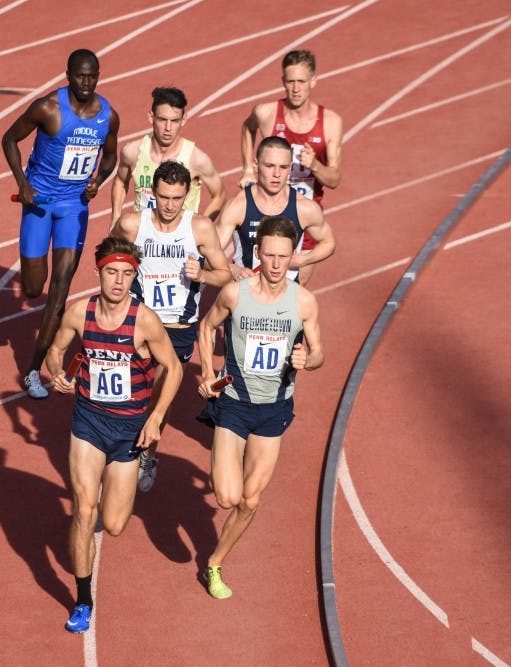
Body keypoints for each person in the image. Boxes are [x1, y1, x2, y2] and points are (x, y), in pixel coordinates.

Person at [46, 236, 183, 632]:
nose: (119, 282)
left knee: (115, 523)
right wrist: (58, 374)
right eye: (112, 273)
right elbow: (55, 350)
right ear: (99, 273)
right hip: (89, 422)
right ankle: (83, 600)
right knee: (84, 510)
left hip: (129, 430)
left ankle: (128, 475)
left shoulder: (144, 321)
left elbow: (173, 368)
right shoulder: (80, 312)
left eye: (126, 274)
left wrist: (156, 417)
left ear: (134, 276)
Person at [196, 215, 324, 599]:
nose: (276, 264)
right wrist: (208, 372)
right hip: (234, 403)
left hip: (274, 408)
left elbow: (319, 353)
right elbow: (207, 327)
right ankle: (224, 465)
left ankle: (215, 562)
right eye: (269, 255)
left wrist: (308, 359)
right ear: (257, 253)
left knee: (250, 500)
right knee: (226, 497)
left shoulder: (303, 302)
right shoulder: (235, 294)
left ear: (292, 257)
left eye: (283, 256)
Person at [2, 48, 120, 399]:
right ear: (68, 75)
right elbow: (9, 139)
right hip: (39, 203)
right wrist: (22, 183)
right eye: (80, 75)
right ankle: (41, 334)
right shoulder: (48, 109)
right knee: (33, 289)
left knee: (60, 289)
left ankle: (33, 370)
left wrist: (99, 179)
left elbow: (110, 155)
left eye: (92, 76)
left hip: (74, 208)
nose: (86, 82)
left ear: (98, 76)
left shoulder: (108, 116)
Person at [110, 161, 232, 492]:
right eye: (163, 197)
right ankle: (120, 454)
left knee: (158, 396)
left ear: (187, 196)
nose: (169, 205)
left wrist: (202, 274)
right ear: (152, 192)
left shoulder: (200, 228)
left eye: (177, 198)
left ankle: (147, 453)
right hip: (139, 323)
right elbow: (109, 257)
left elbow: (225, 274)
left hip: (178, 328)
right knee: (127, 394)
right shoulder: (132, 224)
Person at [238, 49, 343, 285]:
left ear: (313, 81)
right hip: (265, 211)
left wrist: (315, 165)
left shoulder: (330, 122)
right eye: (290, 81)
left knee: (294, 288)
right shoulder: (266, 113)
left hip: (303, 218)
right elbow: (247, 128)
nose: (295, 88)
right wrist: (247, 168)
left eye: (301, 82)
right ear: (283, 81)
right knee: (255, 283)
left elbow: (334, 179)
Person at [217, 136, 335, 282]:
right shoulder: (238, 206)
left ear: (290, 168)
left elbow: (328, 243)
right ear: (256, 165)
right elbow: (208, 252)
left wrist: (303, 260)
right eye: (269, 166)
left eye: (283, 167)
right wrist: (234, 269)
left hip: (287, 293)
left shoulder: (304, 207)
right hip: (246, 290)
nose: (277, 174)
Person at [110, 86, 225, 222]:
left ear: (184, 120)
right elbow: (120, 181)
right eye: (162, 120)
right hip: (142, 233)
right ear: (151, 117)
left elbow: (220, 195)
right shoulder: (132, 152)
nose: (168, 128)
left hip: (180, 235)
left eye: (175, 121)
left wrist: (200, 226)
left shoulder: (196, 159)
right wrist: (115, 217)